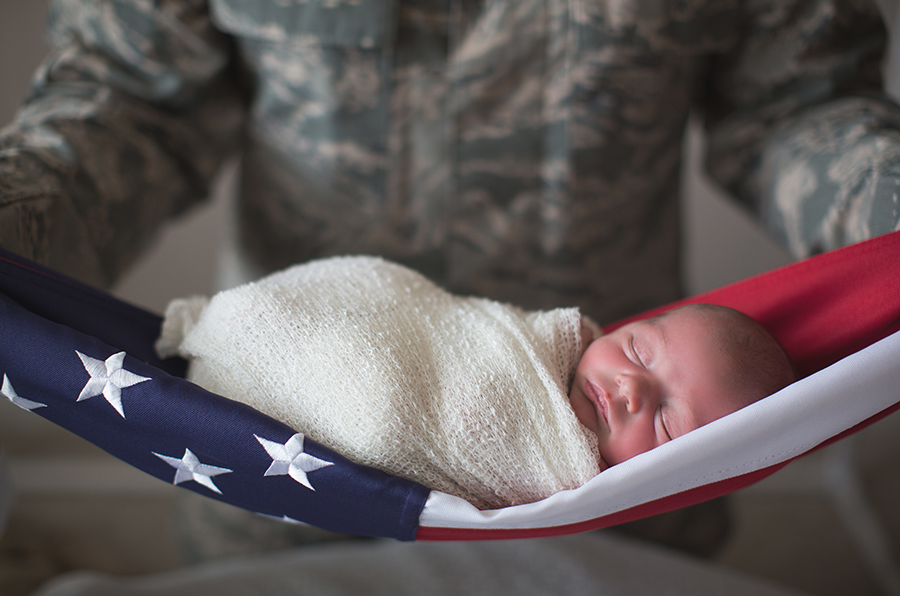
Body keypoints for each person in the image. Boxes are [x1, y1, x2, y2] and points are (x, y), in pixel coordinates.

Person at [2, 0, 898, 555]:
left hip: (617, 507)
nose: (630, 383)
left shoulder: (651, 407)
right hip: (271, 447)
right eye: (642, 365)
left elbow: (802, 107)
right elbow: (126, 101)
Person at [155, 255, 795, 509]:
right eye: (636, 349)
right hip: (331, 342)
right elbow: (439, 330)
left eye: (664, 421)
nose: (630, 388)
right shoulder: (540, 348)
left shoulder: (568, 482)